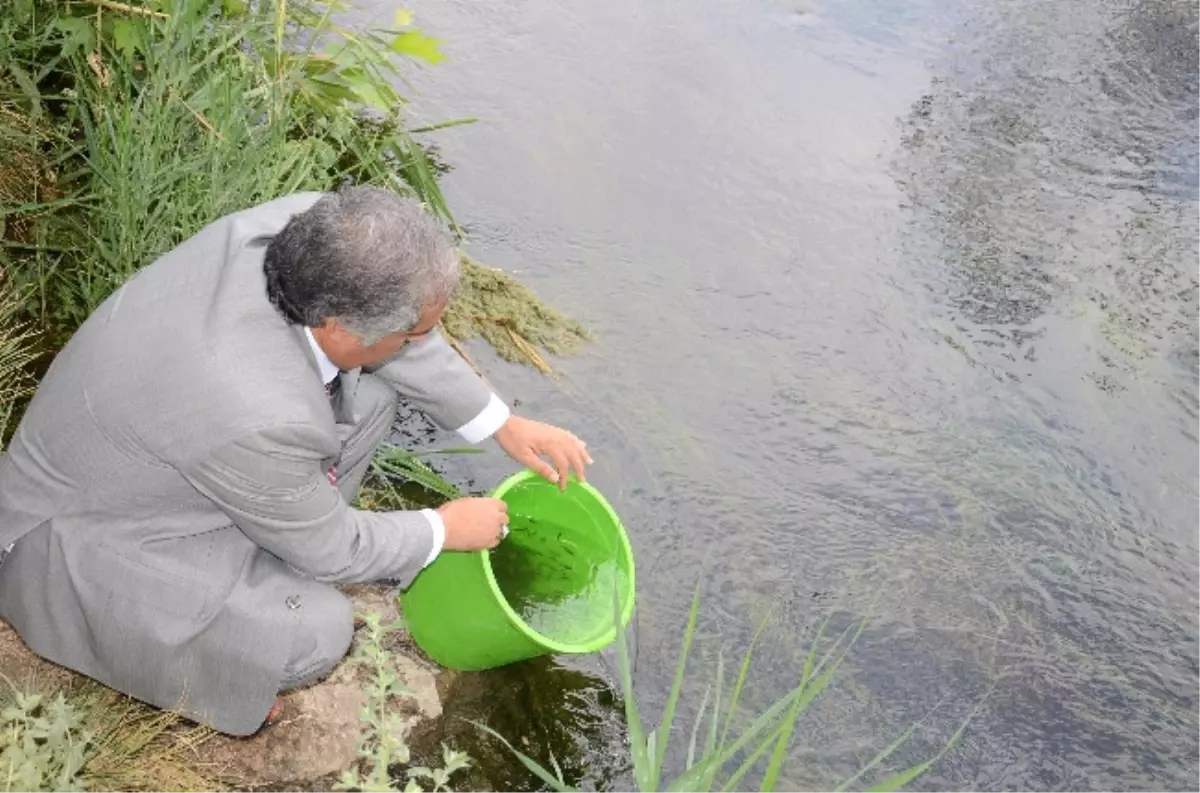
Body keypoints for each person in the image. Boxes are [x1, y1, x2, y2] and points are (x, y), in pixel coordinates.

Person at [0, 186, 592, 736]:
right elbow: (334, 550)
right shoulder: (258, 409)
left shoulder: (316, 232)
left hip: (159, 456)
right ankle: (208, 666)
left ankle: (283, 531)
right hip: (74, 538)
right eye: (412, 336)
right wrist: (441, 529)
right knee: (316, 633)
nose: (418, 344)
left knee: (374, 392)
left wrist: (503, 424)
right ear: (338, 325)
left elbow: (400, 327)